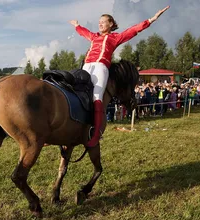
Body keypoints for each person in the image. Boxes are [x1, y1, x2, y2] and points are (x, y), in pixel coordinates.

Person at [70, 5, 170, 147]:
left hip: (100, 67)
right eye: (99, 22)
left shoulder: (116, 38)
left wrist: (151, 19)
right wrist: (77, 25)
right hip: (86, 67)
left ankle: (96, 134)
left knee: (97, 97)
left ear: (110, 24)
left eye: (103, 21)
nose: (100, 24)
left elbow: (133, 30)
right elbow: (83, 32)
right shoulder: (93, 37)